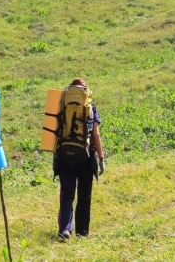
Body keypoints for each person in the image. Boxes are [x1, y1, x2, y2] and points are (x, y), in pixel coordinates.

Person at [55, 78, 105, 240]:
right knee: (84, 195)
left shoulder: (62, 105)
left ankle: (64, 229)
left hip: (64, 156)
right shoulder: (90, 108)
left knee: (67, 195)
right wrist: (101, 157)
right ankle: (82, 232)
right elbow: (95, 135)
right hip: (86, 157)